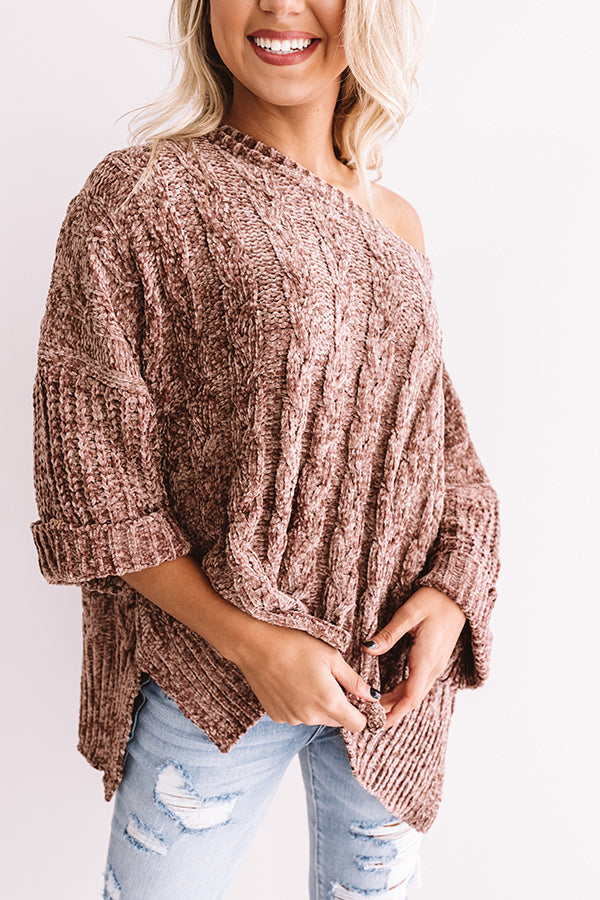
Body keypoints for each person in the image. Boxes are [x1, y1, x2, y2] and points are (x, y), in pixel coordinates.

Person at [29, 1, 501, 898]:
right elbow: (95, 490)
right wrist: (254, 647)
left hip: (390, 684)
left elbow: (440, 452)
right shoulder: (141, 197)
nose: (281, 5)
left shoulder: (397, 222)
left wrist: (450, 595)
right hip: (212, 676)